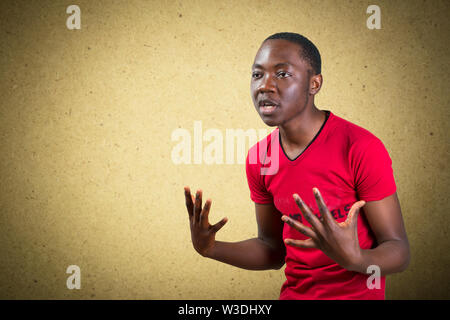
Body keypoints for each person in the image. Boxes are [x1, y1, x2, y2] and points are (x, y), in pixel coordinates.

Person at [183, 32, 410, 300]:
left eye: (282, 74)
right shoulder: (260, 158)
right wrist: (211, 249)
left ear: (314, 84)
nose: (264, 86)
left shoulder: (360, 147)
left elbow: (398, 251)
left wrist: (356, 259)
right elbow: (273, 250)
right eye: (257, 75)